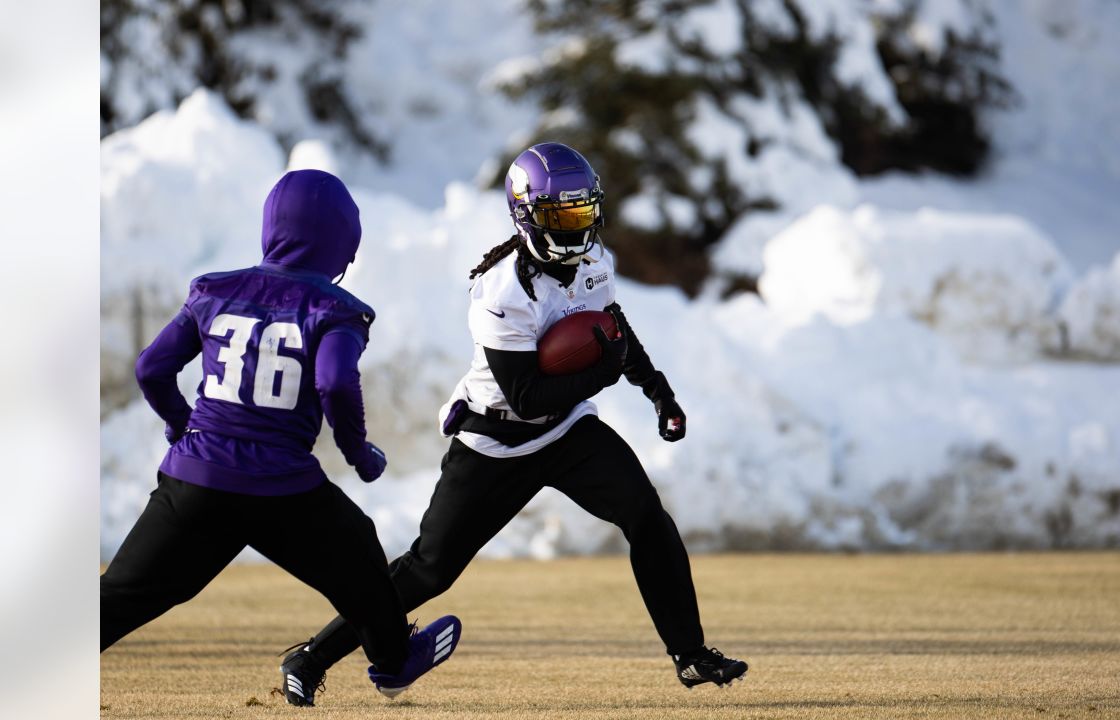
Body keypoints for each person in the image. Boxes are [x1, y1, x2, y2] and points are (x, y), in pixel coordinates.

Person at [278, 143, 747, 697]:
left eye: (582, 211)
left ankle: (689, 654)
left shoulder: (595, 261)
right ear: (526, 214)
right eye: (560, 215)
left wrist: (658, 393)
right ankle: (311, 657)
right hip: (495, 438)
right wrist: (605, 372)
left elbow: (612, 328)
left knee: (646, 514)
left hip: (567, 427)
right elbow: (526, 396)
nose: (576, 228)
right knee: (430, 568)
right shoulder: (501, 288)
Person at [100, 169, 461, 707]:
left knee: (121, 598)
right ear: (343, 243)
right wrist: (359, 453)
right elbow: (335, 381)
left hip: (197, 478)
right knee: (360, 556)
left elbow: (152, 367)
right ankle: (392, 661)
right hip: (280, 489)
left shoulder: (213, 290)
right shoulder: (336, 309)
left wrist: (180, 424)